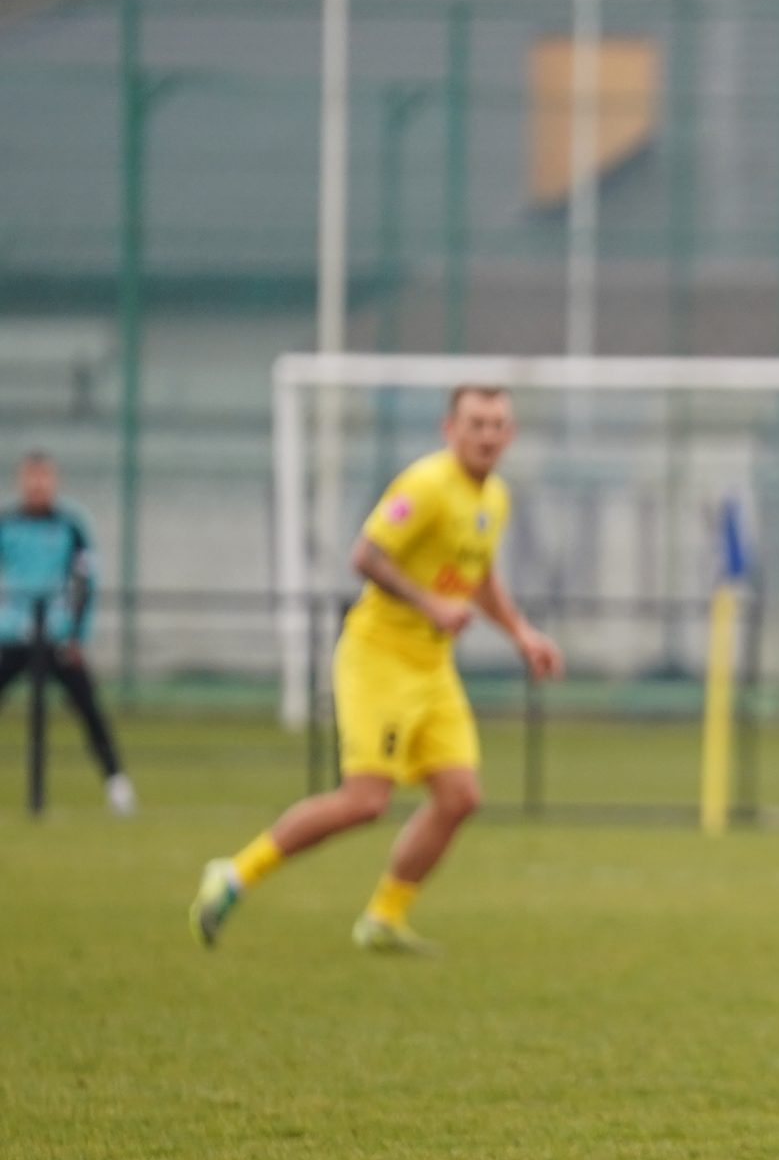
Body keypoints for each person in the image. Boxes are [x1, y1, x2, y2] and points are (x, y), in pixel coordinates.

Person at [189, 386, 561, 954]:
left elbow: (480, 575)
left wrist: (522, 634)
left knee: (460, 796)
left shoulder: (495, 497)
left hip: (431, 666)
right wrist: (431, 605)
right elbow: (365, 555)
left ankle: (383, 917)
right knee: (365, 801)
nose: (487, 435)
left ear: (510, 435)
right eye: (476, 423)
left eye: (497, 425)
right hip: (379, 657)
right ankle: (234, 874)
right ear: (449, 429)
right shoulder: (427, 485)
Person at [0, 451, 134, 815]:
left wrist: (76, 633)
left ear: (53, 481)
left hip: (58, 635)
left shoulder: (70, 526)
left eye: (44, 477)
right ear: (21, 481)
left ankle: (117, 783)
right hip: (13, 635)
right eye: (31, 477)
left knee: (88, 708)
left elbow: (85, 582)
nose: (38, 485)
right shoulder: (7, 524)